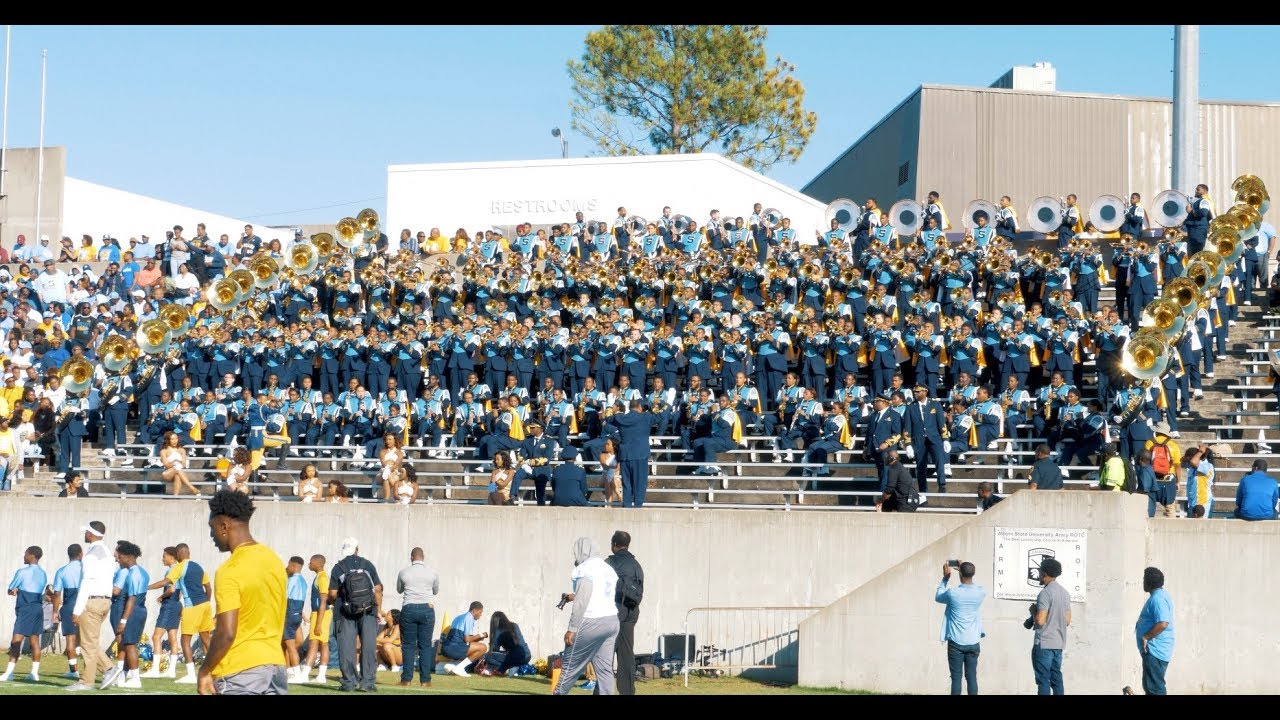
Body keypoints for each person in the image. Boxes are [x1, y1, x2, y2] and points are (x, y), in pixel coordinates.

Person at [197, 490, 288, 696]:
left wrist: (204, 670)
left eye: (212, 528)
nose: (211, 535)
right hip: (276, 666)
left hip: (241, 672)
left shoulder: (230, 570)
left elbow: (226, 632)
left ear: (223, 526)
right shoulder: (273, 560)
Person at [552, 537, 620, 695]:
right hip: (611, 621)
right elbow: (596, 594)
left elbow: (582, 600)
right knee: (605, 670)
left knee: (570, 667)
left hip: (591, 622)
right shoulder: (608, 568)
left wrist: (572, 628)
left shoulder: (585, 569)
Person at [66, 521, 119, 692]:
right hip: (105, 601)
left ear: (91, 533)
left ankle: (87, 681)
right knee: (88, 641)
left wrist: (76, 609)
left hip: (92, 601)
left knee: (88, 645)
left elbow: (86, 582)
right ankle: (109, 669)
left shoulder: (90, 556)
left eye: (86, 532)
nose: (85, 534)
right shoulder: (108, 554)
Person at [328, 537, 383, 693]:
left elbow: (332, 593)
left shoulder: (338, 567)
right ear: (357, 548)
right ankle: (367, 683)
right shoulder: (368, 565)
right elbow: (378, 589)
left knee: (346, 647)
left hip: (345, 612)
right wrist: (378, 610)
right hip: (368, 610)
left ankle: (349, 683)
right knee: (369, 646)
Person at [935, 560, 985, 695]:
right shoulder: (980, 593)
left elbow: (938, 596)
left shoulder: (953, 593)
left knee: (956, 679)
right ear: (972, 574)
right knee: (972, 678)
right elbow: (975, 584)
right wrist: (965, 569)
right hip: (973, 642)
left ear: (960, 574)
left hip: (956, 643)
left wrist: (945, 579)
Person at [604, 530, 644, 695]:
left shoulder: (610, 562)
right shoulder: (636, 565)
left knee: (605, 655)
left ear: (614, 545)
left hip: (613, 612)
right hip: (632, 612)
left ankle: (602, 691)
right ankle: (628, 691)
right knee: (626, 653)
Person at [170, 543, 214, 684]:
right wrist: (206, 602)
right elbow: (208, 587)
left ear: (179, 553)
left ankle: (190, 675)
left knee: (185, 640)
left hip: (192, 606)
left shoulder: (180, 567)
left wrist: (149, 587)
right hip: (205, 605)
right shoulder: (199, 567)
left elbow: (167, 581)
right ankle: (213, 671)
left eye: (176, 554)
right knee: (206, 639)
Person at [1, 546, 46, 683]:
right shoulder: (43, 573)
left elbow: (10, 590)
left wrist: (16, 591)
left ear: (31, 555)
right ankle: (34, 673)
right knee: (35, 641)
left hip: (25, 608)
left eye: (26, 554)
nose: (24, 556)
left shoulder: (22, 572)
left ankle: (9, 673)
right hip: (38, 608)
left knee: (16, 641)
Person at [395, 546, 438, 687]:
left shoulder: (403, 572)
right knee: (425, 645)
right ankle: (425, 680)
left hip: (409, 608)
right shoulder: (432, 572)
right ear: (423, 557)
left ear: (411, 557)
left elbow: (399, 590)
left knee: (408, 645)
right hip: (427, 608)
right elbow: (435, 591)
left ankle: (406, 679)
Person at [1030, 557, 1071, 695]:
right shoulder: (1065, 593)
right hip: (1058, 643)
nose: (1039, 575)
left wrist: (1033, 612)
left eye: (1040, 571)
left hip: (1044, 643)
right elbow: (1067, 620)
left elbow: (1040, 621)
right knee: (1056, 679)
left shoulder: (1045, 593)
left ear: (1045, 573)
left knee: (1043, 680)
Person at [112, 541, 148, 689]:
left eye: (120, 557)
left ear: (127, 557)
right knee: (129, 644)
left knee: (130, 645)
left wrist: (123, 620)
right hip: (140, 610)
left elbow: (132, 599)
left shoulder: (133, 573)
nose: (118, 560)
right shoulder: (143, 571)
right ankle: (125, 675)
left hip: (134, 611)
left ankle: (135, 678)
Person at [1135, 566, 1174, 695]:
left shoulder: (1157, 599)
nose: (1143, 583)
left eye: (1144, 579)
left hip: (1155, 650)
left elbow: (1163, 623)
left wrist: (1146, 636)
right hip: (1155, 651)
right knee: (1151, 687)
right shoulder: (1159, 596)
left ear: (1149, 582)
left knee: (1155, 689)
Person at [610, 400, 655, 508]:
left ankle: (627, 507)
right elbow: (663, 415)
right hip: (640, 456)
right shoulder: (646, 417)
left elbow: (607, 419)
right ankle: (637, 508)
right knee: (640, 484)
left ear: (629, 407)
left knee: (627, 484)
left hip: (625, 456)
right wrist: (650, 408)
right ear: (640, 406)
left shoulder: (620, 418)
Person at [48, 543, 83, 680]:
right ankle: (90, 670)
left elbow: (57, 594)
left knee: (70, 639)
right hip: (85, 605)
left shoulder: (62, 571)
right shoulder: (86, 568)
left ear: (69, 555)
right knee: (89, 640)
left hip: (69, 606)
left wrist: (55, 613)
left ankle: (73, 671)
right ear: (80, 554)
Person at [299, 554, 331, 684]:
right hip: (320, 614)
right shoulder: (319, 576)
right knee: (323, 644)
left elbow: (323, 601)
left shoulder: (322, 577)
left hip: (320, 614)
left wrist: (318, 623)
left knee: (314, 643)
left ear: (318, 563)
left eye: (311, 562)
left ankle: (305, 674)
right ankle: (321, 676)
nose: (309, 564)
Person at [441, 601, 488, 677]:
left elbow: (462, 639)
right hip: (453, 648)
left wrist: (478, 639)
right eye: (480, 612)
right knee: (483, 647)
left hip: (445, 648)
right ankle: (460, 667)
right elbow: (467, 640)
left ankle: (452, 665)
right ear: (474, 611)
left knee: (475, 646)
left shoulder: (459, 617)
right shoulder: (469, 617)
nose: (480, 615)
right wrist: (481, 635)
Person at [1145, 424, 1182, 518]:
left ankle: (1149, 525)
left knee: (1150, 504)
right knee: (1170, 506)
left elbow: (1144, 461)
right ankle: (1171, 526)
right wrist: (1178, 481)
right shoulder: (1173, 445)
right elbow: (1177, 465)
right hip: (1169, 479)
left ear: (1157, 431)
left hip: (1152, 478)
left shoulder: (1149, 443)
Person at [283, 556, 308, 682]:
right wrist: (302, 615)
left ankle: (296, 674)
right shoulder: (303, 581)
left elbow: (284, 598)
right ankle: (289, 671)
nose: (287, 567)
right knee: (295, 643)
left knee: (290, 646)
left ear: (293, 565)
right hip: (297, 615)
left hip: (289, 614)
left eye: (288, 564)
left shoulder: (291, 580)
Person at [482, 611, 531, 677]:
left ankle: (507, 668)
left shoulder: (498, 629)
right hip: (527, 656)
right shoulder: (515, 625)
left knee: (488, 656)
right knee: (509, 655)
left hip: (514, 657)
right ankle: (514, 668)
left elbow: (494, 648)